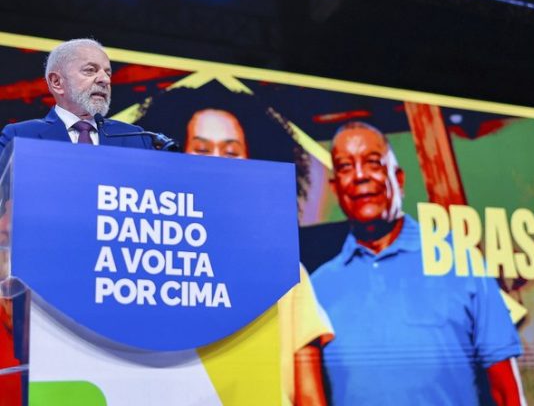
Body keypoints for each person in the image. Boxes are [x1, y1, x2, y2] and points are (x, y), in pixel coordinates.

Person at [311, 121, 525, 406]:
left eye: (373, 162)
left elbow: (506, 393)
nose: (360, 175)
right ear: (335, 187)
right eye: (345, 167)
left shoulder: (459, 260)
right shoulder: (316, 289)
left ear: (398, 179)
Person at [185, 108, 334, 406]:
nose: (217, 162)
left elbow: (309, 396)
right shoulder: (146, 265)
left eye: (231, 152)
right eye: (201, 149)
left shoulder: (287, 271)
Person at [0, 38, 152, 152]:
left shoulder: (136, 137)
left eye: (108, 73)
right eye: (90, 70)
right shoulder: (20, 136)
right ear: (57, 82)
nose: (105, 80)